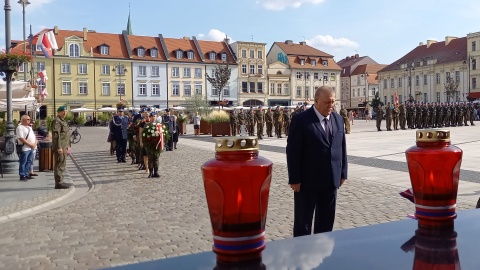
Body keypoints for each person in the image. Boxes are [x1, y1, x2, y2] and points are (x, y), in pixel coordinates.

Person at [286, 86, 348, 237]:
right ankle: (302, 253)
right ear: (316, 101)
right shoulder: (301, 120)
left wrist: (343, 173)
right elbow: (293, 151)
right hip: (307, 182)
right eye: (327, 102)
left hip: (331, 180)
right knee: (303, 223)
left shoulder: (338, 119)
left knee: (326, 222)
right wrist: (294, 179)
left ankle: (323, 251)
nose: (331, 105)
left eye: (333, 102)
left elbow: (342, 147)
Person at [51, 106, 71, 189]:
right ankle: (58, 183)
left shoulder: (63, 121)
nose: (65, 113)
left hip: (64, 146)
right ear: (58, 112)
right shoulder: (57, 121)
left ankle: (61, 180)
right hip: (60, 146)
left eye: (65, 111)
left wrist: (68, 146)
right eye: (63, 111)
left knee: (63, 163)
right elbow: (56, 135)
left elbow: (66, 135)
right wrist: (59, 147)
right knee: (59, 164)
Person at [16, 115, 37, 181]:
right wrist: (30, 144)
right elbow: (21, 138)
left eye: (29, 119)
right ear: (23, 120)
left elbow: (34, 136)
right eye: (28, 119)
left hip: (32, 148)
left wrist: (35, 143)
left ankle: (27, 174)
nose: (29, 120)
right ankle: (22, 175)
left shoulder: (29, 127)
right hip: (25, 148)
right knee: (23, 161)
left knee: (29, 161)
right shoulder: (20, 127)